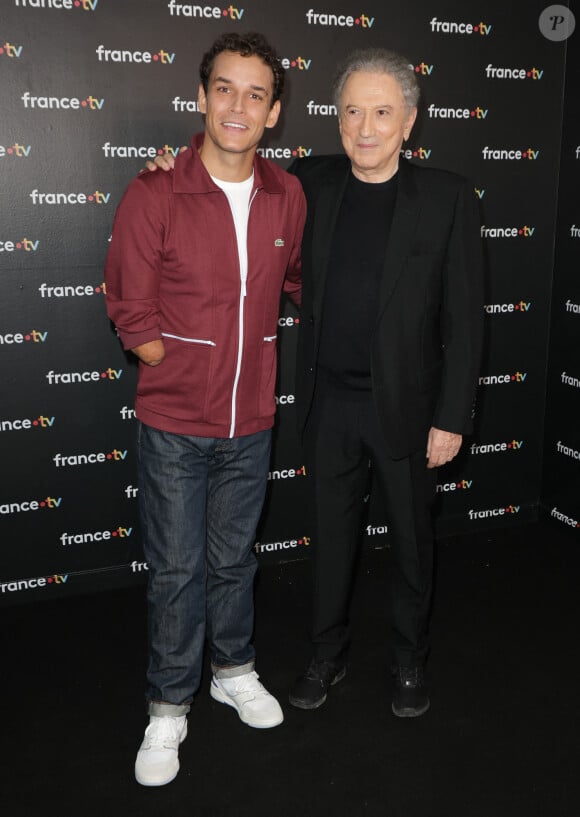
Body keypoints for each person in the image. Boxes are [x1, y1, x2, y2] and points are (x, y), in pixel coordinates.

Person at [147, 46, 484, 720]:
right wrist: (168, 164)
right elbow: (228, 176)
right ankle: (325, 654)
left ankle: (408, 660)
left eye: (382, 112)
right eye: (352, 111)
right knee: (330, 543)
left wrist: (451, 418)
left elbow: (467, 322)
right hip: (328, 403)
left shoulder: (448, 198)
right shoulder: (308, 183)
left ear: (409, 122)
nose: (365, 126)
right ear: (336, 119)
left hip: (411, 413)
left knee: (414, 545)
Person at [105, 31, 305, 787]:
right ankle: (168, 706)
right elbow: (127, 293)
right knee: (178, 568)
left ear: (274, 110)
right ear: (201, 97)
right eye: (225, 88)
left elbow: (296, 283)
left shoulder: (288, 192)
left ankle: (233, 668)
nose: (239, 105)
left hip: (251, 419)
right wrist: (158, 352)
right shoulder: (156, 190)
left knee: (231, 560)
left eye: (256, 93)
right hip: (175, 420)